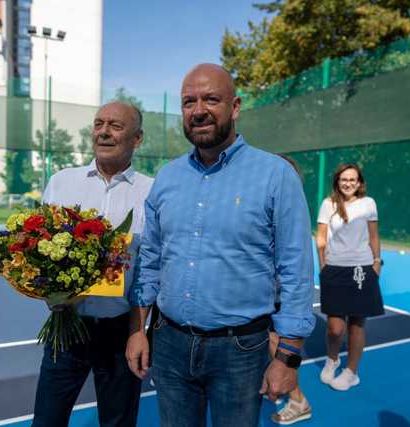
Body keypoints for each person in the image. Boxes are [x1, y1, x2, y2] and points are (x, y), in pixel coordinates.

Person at [126, 64, 315, 427]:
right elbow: (150, 261)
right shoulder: (167, 177)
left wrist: (287, 358)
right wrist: (138, 330)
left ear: (235, 106)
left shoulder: (276, 175)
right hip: (169, 343)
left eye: (211, 99)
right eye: (188, 102)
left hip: (240, 352)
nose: (198, 110)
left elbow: (295, 270)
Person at [31, 101, 154, 427]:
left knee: (118, 422)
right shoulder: (61, 182)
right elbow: (39, 248)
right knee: (46, 420)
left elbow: (150, 270)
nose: (104, 132)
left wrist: (137, 330)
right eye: (99, 124)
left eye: (116, 126)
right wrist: (50, 293)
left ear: (137, 139)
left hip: (120, 332)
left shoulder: (151, 192)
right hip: (67, 328)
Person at [316, 163, 384, 392]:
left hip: (362, 270)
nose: (348, 183)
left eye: (353, 180)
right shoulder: (328, 204)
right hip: (334, 270)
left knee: (356, 325)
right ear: (337, 181)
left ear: (359, 182)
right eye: (344, 179)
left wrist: (376, 262)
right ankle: (332, 358)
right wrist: (323, 266)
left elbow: (374, 235)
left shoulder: (368, 203)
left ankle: (351, 372)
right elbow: (321, 238)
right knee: (335, 328)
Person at [269, 155, 312, 425]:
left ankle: (299, 401)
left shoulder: (291, 214)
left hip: (281, 294)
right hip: (270, 293)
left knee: (276, 343)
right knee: (268, 342)